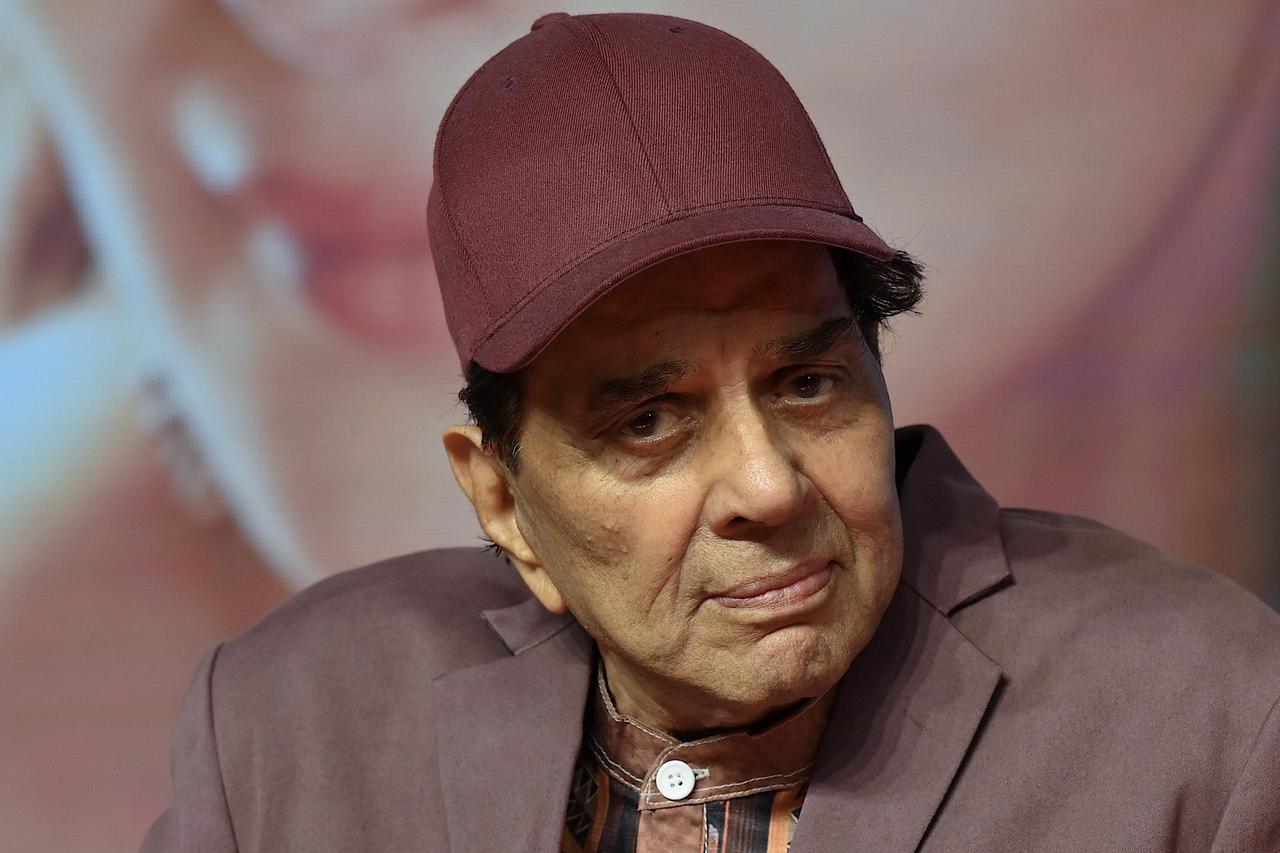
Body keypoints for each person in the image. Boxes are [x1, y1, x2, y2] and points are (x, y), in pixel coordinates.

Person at [141, 12, 1280, 852]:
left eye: (807, 383)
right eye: (648, 420)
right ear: (502, 502)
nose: (768, 487)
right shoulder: (285, 728)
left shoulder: (1207, 717)